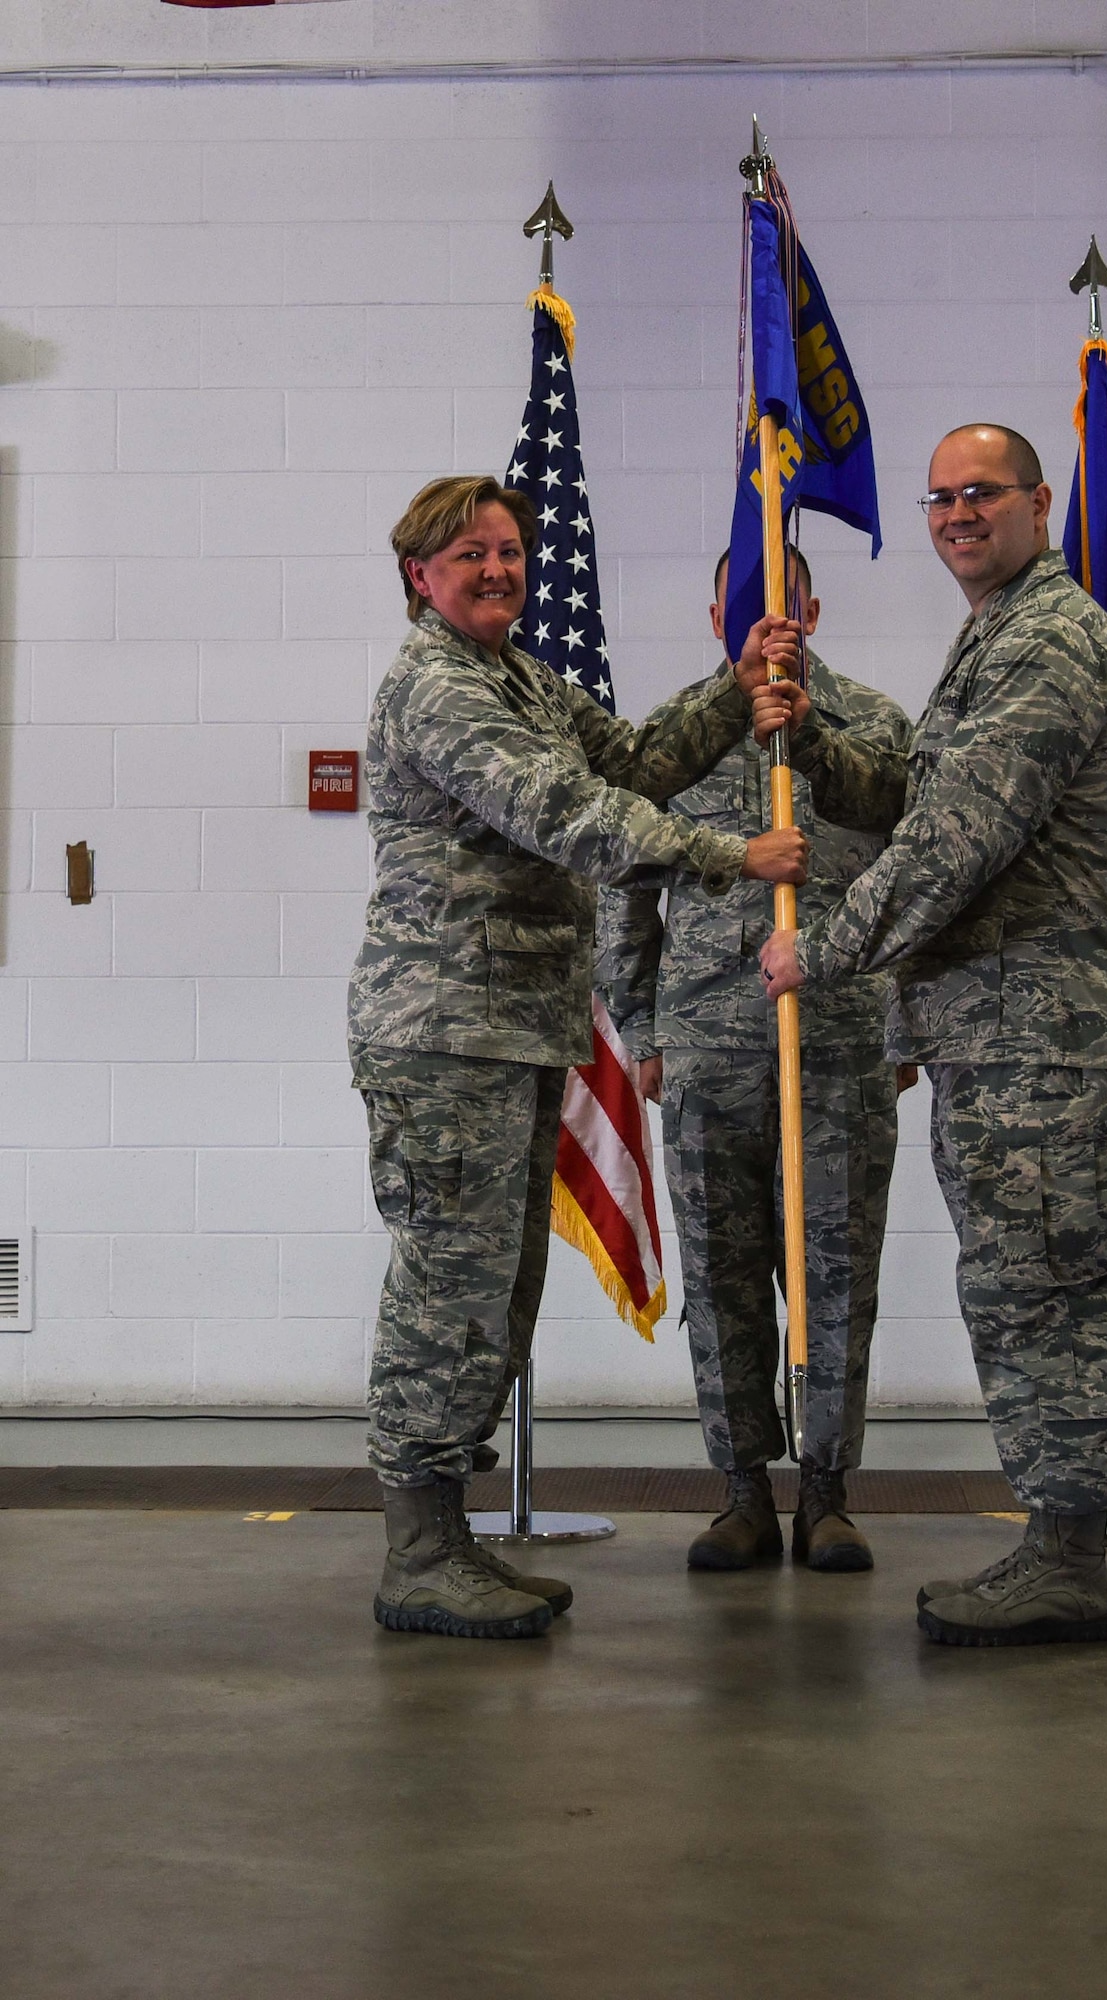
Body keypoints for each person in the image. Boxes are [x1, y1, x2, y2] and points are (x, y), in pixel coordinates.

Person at [349, 474, 808, 1642]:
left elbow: (632, 758)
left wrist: (735, 682)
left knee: (495, 1295)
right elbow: (569, 811)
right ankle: (417, 1549)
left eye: (509, 550)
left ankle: (449, 1539)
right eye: (469, 557)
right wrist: (728, 856)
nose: (497, 570)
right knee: (447, 1296)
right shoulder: (439, 690)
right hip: (446, 1032)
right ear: (421, 576)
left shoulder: (521, 679)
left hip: (507, 1031)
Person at [756, 425, 1107, 1646]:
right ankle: (1058, 1543)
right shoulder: (996, 633)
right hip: (1004, 1026)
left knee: (1040, 1287)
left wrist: (818, 949)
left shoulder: (1047, 640)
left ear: (1040, 502)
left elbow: (953, 841)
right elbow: (918, 796)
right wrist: (810, 739)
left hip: (1039, 1028)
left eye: (980, 492)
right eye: (938, 497)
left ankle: (1064, 1556)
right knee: (1035, 1283)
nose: (953, 512)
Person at [597, 550, 913, 1574]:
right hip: (707, 1045)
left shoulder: (869, 724)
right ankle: (740, 1488)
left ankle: (826, 1491)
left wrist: (904, 1025)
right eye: (743, 597)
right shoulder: (673, 737)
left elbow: (920, 874)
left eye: (784, 593)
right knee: (722, 1274)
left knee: (833, 1273)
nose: (767, 613)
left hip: (839, 1040)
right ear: (712, 610)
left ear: (813, 607)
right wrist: (642, 1029)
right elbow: (624, 887)